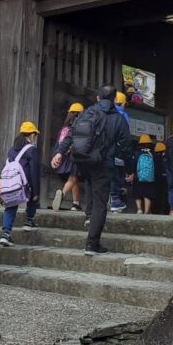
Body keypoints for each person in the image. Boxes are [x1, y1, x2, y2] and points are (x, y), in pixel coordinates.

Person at [52, 85, 134, 255]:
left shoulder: (86, 113)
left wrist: (59, 153)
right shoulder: (117, 119)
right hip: (102, 163)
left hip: (83, 162)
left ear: (98, 98)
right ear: (113, 100)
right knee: (100, 203)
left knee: (90, 185)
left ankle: (89, 216)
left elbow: (70, 135)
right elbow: (126, 146)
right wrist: (127, 167)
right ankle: (92, 244)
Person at [0, 121, 41, 247]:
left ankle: (5, 234)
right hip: (25, 183)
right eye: (35, 135)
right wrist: (36, 191)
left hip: (12, 183)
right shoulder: (32, 150)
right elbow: (34, 171)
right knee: (33, 197)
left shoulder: (12, 150)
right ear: (32, 135)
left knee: (10, 205)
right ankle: (28, 221)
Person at [50, 103, 83, 212]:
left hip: (62, 154)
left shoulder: (63, 129)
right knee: (73, 177)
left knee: (75, 179)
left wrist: (56, 155)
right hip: (72, 155)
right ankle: (62, 194)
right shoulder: (77, 127)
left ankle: (76, 203)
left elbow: (58, 143)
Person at [110, 91, 131, 213]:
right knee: (117, 175)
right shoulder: (123, 116)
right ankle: (115, 199)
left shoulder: (107, 113)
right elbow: (125, 137)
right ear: (123, 104)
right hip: (118, 151)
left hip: (104, 151)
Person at [133, 134, 157, 215]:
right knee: (148, 194)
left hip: (138, 176)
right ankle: (146, 211)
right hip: (149, 178)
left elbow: (134, 164)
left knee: (137, 193)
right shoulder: (152, 154)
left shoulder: (137, 153)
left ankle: (139, 209)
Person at [153, 141, 168, 214]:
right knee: (165, 195)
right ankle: (165, 210)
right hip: (165, 178)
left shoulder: (153, 157)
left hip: (155, 179)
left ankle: (155, 211)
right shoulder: (165, 158)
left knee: (156, 195)